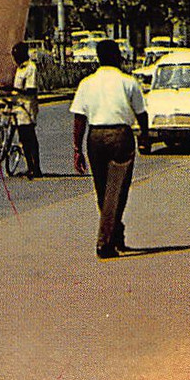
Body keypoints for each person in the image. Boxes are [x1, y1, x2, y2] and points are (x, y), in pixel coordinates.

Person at [70, 39, 149, 258]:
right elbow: (141, 113)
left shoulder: (86, 83)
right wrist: (144, 135)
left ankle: (115, 233)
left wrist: (77, 149)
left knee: (102, 190)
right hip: (120, 137)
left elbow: (79, 118)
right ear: (117, 56)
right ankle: (105, 242)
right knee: (118, 190)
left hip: (95, 138)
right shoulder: (128, 81)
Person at [1, 41, 42, 178]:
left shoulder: (31, 68)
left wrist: (13, 89)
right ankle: (30, 166)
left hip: (27, 108)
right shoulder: (19, 69)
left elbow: (31, 90)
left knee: (29, 137)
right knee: (23, 139)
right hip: (17, 107)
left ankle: (36, 168)